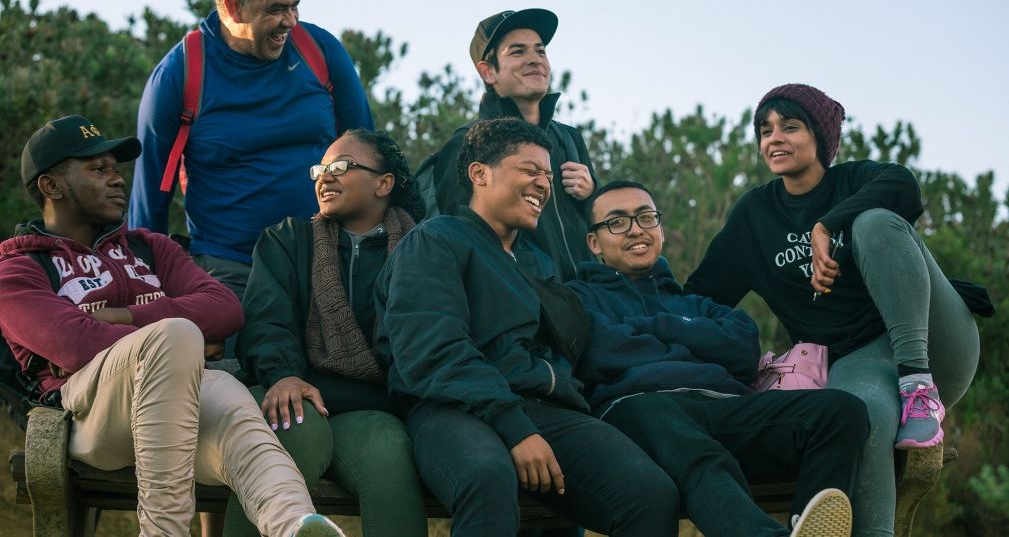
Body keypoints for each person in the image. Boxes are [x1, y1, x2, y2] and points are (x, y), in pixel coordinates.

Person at [0, 115, 344, 537]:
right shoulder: (18, 268)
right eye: (97, 169)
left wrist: (127, 317)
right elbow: (73, 345)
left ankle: (295, 524)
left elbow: (225, 309)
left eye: (116, 169)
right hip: (87, 417)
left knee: (230, 402)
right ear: (51, 186)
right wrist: (185, 344)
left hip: (171, 412)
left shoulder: (149, 247)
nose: (117, 180)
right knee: (177, 336)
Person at [684, 83, 981, 536]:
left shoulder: (854, 180)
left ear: (820, 137)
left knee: (875, 221)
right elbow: (701, 296)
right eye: (765, 130)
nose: (774, 138)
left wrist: (828, 224)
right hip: (859, 360)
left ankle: (919, 387)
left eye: (790, 126)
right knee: (860, 418)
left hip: (934, 340)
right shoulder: (755, 217)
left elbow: (904, 186)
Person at [375, 118, 678, 536]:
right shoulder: (436, 240)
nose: (543, 184)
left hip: (546, 409)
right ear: (479, 173)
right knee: (487, 476)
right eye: (529, 170)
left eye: (548, 175)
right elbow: (432, 350)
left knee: (650, 492)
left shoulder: (540, 264)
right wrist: (514, 427)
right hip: (452, 408)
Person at [569, 179, 867, 536]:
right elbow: (603, 352)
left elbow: (743, 348)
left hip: (723, 406)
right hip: (637, 410)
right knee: (693, 450)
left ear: (660, 229)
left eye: (646, 217)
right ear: (594, 242)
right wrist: (693, 339)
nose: (636, 230)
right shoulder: (579, 297)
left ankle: (807, 528)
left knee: (839, 412)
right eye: (617, 222)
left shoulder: (694, 304)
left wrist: (657, 328)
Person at [129, 0, 373, 303]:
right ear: (233, 7)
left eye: (295, 6)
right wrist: (143, 290)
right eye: (276, 9)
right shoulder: (179, 75)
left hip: (326, 261)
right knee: (234, 364)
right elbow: (150, 200)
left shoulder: (320, 50)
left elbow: (370, 153)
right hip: (229, 274)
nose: (290, 21)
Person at [225, 129, 427, 537]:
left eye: (342, 167)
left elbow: (419, 346)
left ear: (384, 183)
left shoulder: (422, 250)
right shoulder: (287, 240)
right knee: (291, 427)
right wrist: (282, 373)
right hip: (293, 389)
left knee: (388, 451)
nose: (324, 177)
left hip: (378, 408)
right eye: (320, 168)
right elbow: (266, 321)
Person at [431, 8, 595, 281]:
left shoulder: (570, 138)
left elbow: (602, 227)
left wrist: (592, 195)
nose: (535, 60)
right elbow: (461, 238)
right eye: (518, 52)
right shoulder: (466, 143)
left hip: (589, 302)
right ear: (488, 72)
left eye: (540, 51)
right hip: (527, 303)